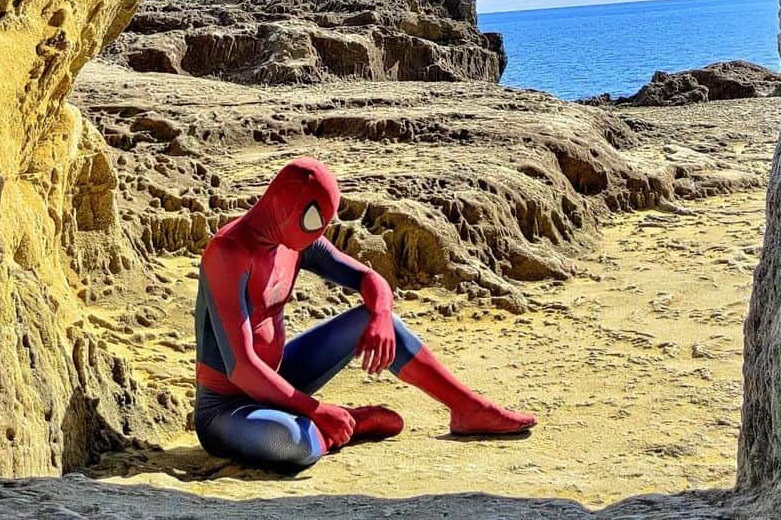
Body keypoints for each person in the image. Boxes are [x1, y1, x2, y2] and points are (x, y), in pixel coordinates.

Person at [193, 155, 537, 470]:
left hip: (282, 376)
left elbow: (369, 278)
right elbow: (241, 368)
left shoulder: (296, 238)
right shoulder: (230, 253)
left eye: (325, 222)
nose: (319, 232)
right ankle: (346, 424)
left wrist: (381, 316)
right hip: (227, 407)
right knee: (290, 444)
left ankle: (468, 408)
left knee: (374, 318)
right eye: (313, 220)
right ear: (283, 205)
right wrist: (315, 409)